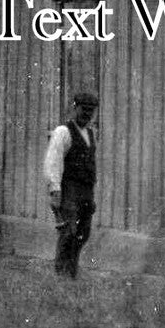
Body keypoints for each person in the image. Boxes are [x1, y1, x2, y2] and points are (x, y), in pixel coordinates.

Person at [44, 91, 100, 278]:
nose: (87, 115)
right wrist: (54, 189)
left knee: (83, 233)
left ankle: (71, 272)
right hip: (69, 189)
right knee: (68, 231)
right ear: (74, 108)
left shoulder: (91, 134)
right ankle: (62, 274)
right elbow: (54, 161)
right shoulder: (63, 132)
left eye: (91, 112)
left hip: (86, 191)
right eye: (84, 110)